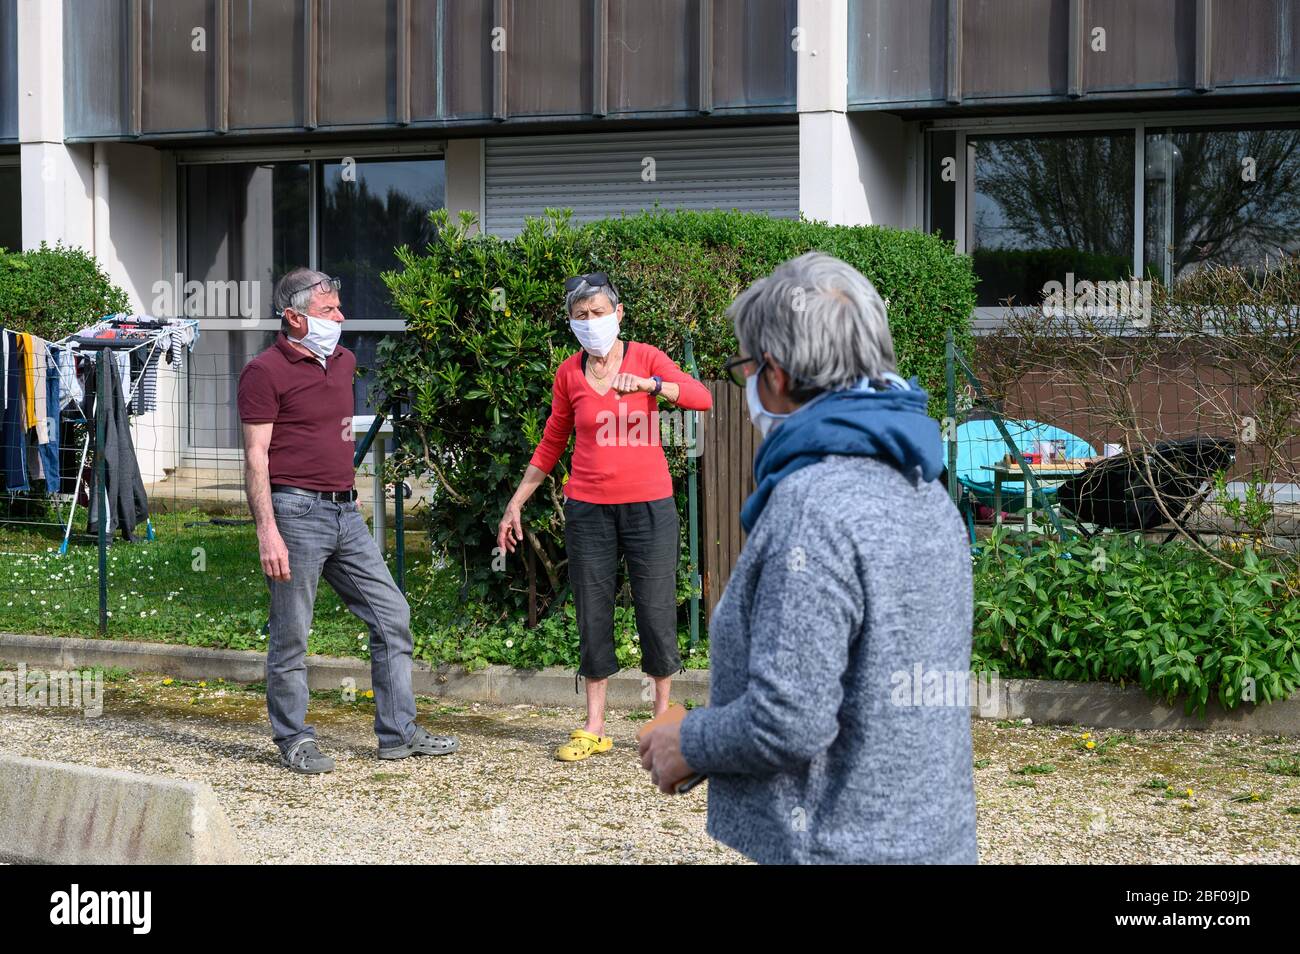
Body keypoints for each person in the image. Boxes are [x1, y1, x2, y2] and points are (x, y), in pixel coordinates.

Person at [638, 252, 978, 864]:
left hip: (835, 846)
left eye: (746, 364)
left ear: (774, 373)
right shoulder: (924, 485)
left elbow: (789, 721)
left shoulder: (811, 505)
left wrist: (687, 739)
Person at [237, 268, 458, 774]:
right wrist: (266, 530)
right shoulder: (263, 372)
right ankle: (294, 737)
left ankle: (398, 734)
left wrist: (348, 490)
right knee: (292, 634)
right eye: (327, 311)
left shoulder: (345, 361)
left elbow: (331, 435)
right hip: (293, 512)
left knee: (392, 615)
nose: (340, 318)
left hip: (343, 511)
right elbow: (255, 458)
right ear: (294, 318)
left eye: (338, 308)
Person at [497, 272, 713, 762]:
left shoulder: (646, 356)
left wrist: (654, 385)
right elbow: (552, 441)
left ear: (618, 314)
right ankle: (595, 725)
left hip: (649, 505)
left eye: (599, 313)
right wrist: (517, 500)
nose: (591, 322)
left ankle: (663, 721)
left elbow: (702, 396)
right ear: (571, 323)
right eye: (581, 316)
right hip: (588, 508)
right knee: (593, 609)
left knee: (656, 609)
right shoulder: (569, 373)